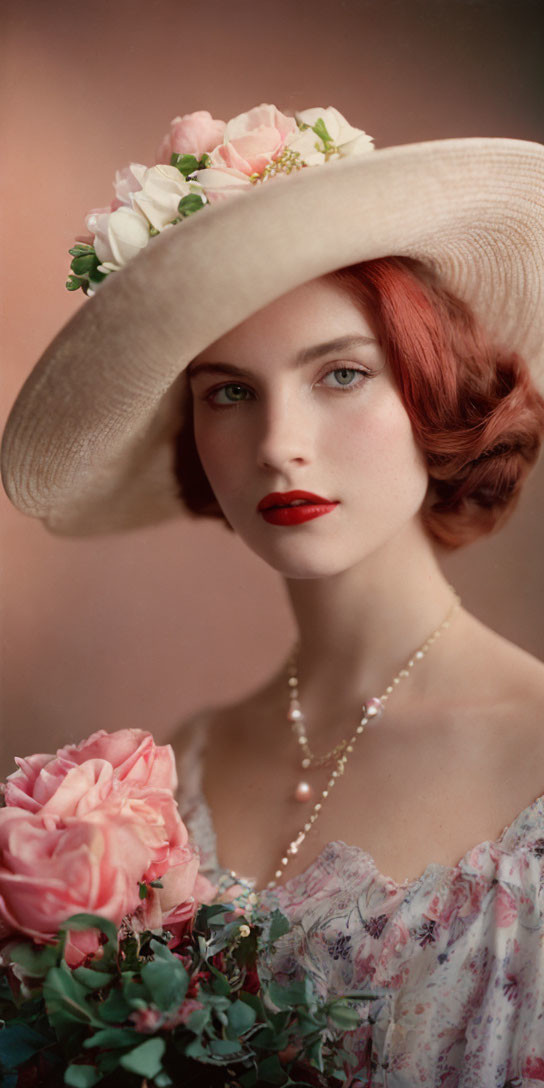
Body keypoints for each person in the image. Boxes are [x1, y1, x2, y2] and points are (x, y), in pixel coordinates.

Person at [2, 103, 544, 1084]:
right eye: (228, 391)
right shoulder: (164, 774)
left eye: (339, 373)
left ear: (433, 391)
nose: (277, 443)